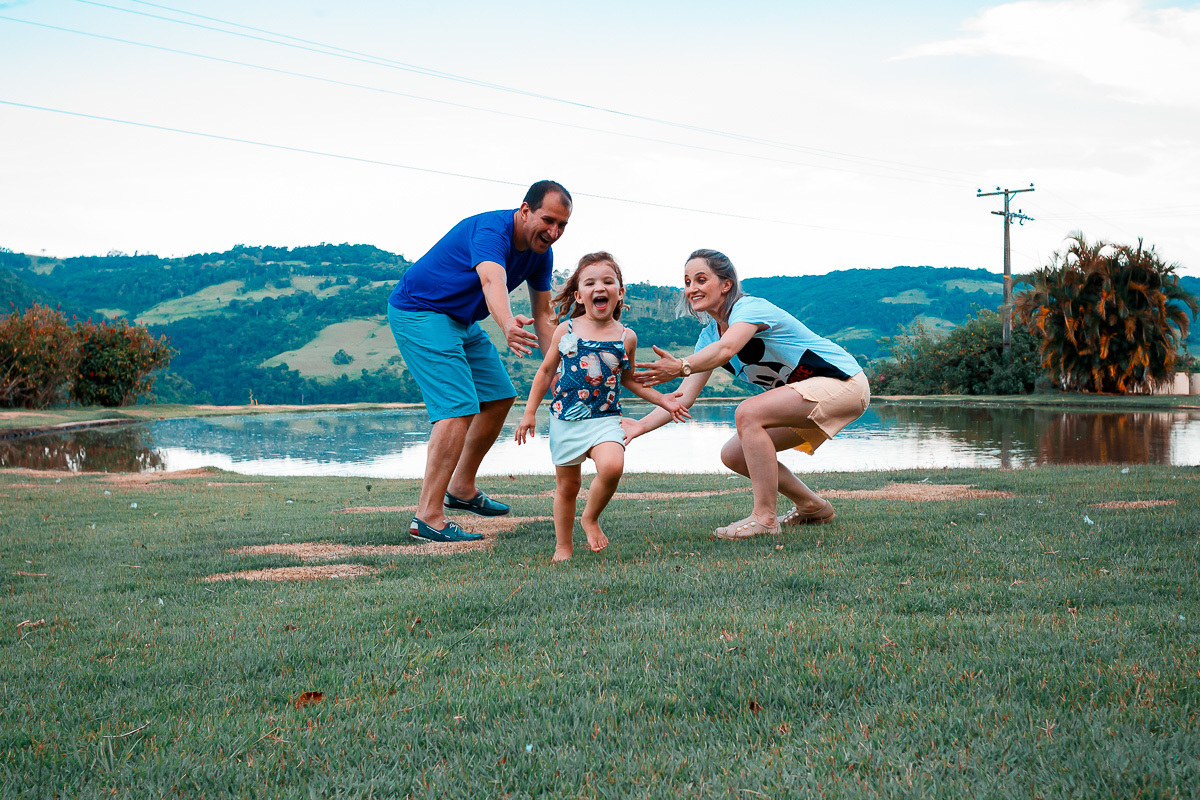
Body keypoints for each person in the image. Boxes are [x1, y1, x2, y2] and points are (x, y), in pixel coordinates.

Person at [625, 249, 869, 539]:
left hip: (843, 383)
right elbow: (683, 397)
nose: (692, 289)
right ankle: (812, 506)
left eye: (701, 280)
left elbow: (727, 349)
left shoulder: (749, 308)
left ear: (726, 284)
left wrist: (681, 365)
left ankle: (765, 518)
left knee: (748, 412)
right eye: (687, 282)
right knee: (734, 454)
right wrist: (640, 425)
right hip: (808, 395)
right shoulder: (709, 337)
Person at [387, 180, 571, 543]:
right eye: (548, 220)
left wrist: (560, 369)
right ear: (525, 211)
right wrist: (507, 324)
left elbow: (544, 315)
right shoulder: (492, 231)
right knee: (458, 407)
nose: (553, 232)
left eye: (562, 225)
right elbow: (492, 279)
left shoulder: (541, 254)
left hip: (461, 320)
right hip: (420, 311)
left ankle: (461, 487)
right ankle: (427, 517)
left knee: (499, 396)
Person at [515, 252, 689, 560]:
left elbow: (630, 380)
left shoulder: (626, 336)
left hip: (605, 418)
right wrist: (529, 413)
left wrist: (663, 399)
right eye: (590, 283)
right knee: (568, 486)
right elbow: (545, 372)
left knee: (612, 466)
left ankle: (590, 518)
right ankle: (563, 546)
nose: (600, 287)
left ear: (619, 292)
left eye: (608, 282)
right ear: (579, 295)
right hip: (566, 420)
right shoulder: (565, 330)